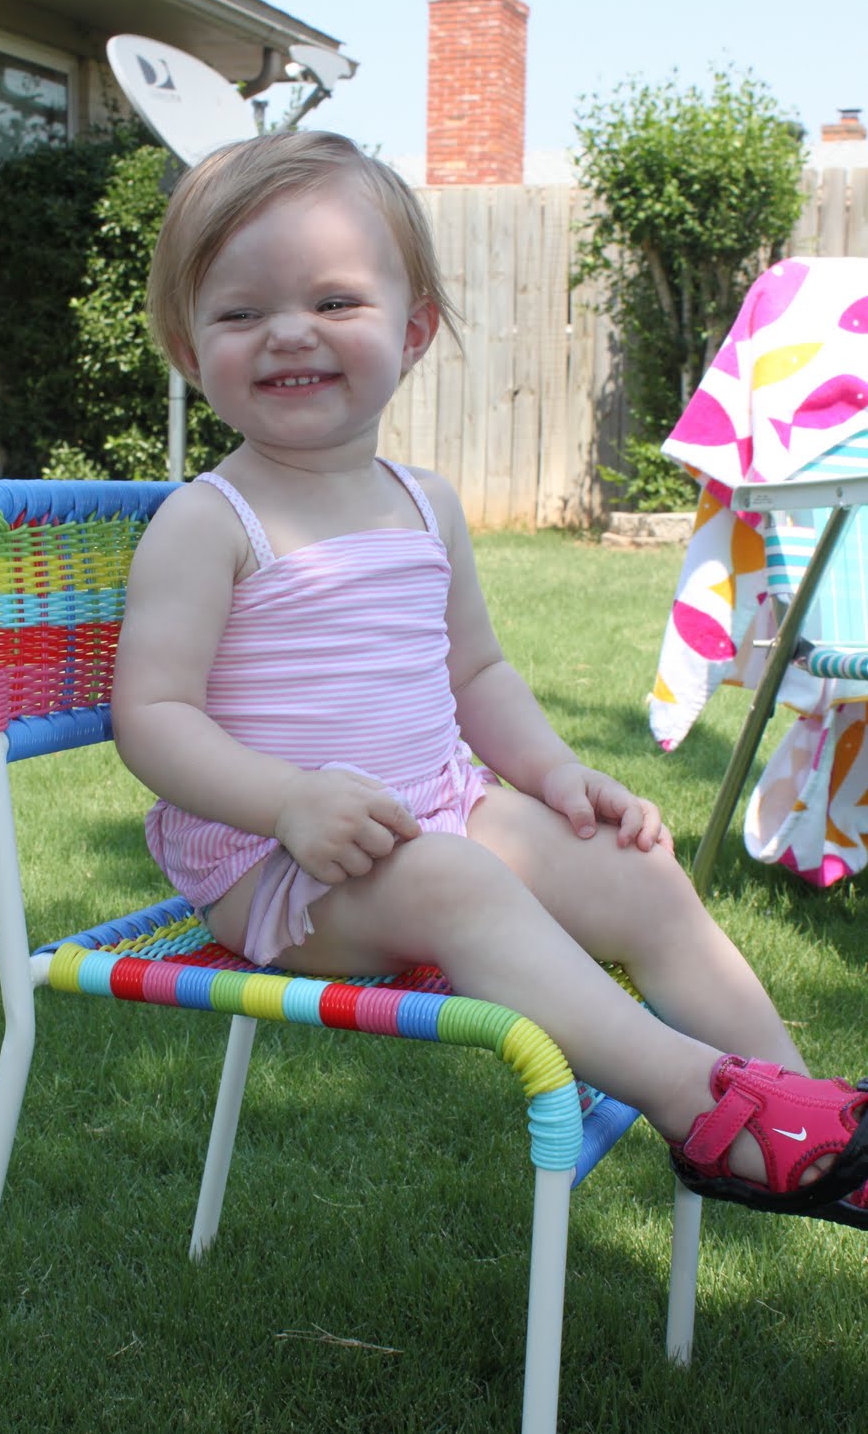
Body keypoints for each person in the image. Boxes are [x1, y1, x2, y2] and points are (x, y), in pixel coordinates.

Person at [111, 130, 868, 1228]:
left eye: (334, 301)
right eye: (240, 313)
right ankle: (706, 1112)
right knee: (457, 883)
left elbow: (475, 671)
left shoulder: (425, 502)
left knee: (632, 869)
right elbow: (151, 715)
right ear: (190, 349)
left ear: (412, 330)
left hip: (436, 809)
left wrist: (554, 774)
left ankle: (807, 1118)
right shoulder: (207, 520)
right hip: (276, 864)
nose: (288, 332)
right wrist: (286, 801)